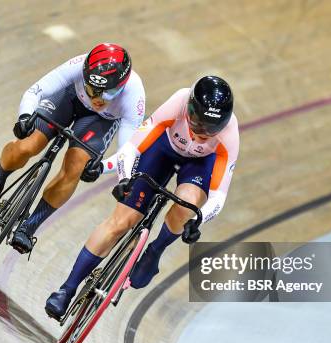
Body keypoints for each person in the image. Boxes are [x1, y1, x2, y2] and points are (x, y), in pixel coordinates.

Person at [45, 76, 240, 319]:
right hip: (163, 150)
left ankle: (155, 249)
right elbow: (131, 148)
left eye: (212, 130)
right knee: (120, 222)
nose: (203, 135)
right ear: (189, 110)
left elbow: (219, 195)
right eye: (199, 126)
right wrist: (124, 179)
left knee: (187, 204)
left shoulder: (230, 133)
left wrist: (197, 221)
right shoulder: (179, 101)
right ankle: (67, 289)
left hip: (199, 165)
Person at [0, 43, 145, 254]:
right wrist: (25, 117)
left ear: (122, 85)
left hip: (100, 122)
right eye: (92, 89)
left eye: (108, 94)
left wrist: (109, 172)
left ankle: (30, 226)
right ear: (85, 75)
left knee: (76, 166)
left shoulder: (134, 95)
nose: (98, 99)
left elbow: (128, 151)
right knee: (29, 144)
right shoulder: (78, 65)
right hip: (70, 99)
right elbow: (35, 91)